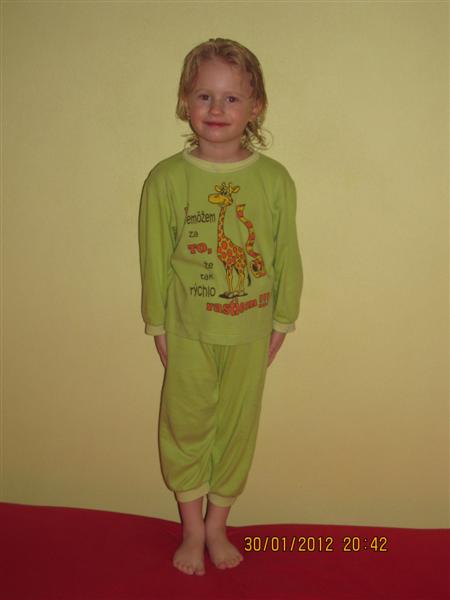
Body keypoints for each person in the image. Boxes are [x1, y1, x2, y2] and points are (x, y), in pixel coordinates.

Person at [138, 38, 303, 576]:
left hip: (251, 331)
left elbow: (286, 254)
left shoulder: (273, 180)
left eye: (232, 98)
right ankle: (191, 527)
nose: (216, 108)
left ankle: (217, 525)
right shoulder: (167, 179)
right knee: (185, 426)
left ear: (256, 107)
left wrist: (283, 320)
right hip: (187, 330)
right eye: (204, 95)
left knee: (236, 429)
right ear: (185, 101)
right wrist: (157, 324)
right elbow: (154, 259)